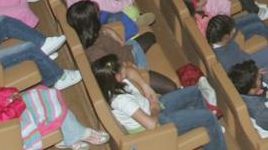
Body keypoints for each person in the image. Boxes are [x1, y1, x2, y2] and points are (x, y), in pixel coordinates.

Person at [0, 56, 107, 149]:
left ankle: (68, 135)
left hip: (5, 112)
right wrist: (17, 104)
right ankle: (77, 133)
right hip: (5, 130)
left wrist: (11, 95)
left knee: (44, 93)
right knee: (49, 105)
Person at [91, 54, 226, 149]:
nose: (125, 64)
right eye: (121, 66)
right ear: (117, 76)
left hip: (153, 107)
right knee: (208, 117)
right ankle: (211, 131)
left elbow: (131, 72)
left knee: (194, 92)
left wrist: (145, 86)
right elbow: (151, 125)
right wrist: (154, 107)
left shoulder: (113, 83)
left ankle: (208, 130)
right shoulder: (121, 101)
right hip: (158, 125)